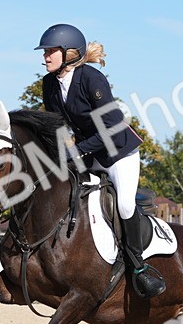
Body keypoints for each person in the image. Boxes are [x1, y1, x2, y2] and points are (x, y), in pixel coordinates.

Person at [37, 23, 165, 298]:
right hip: (90, 152)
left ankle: (138, 267)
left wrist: (76, 151)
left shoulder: (92, 80)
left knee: (125, 205)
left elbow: (113, 130)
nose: (45, 56)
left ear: (70, 54)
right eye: (45, 52)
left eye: (50, 51)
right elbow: (56, 126)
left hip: (119, 151)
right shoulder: (48, 84)